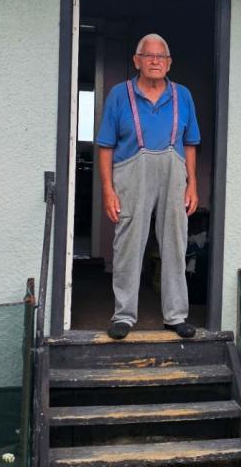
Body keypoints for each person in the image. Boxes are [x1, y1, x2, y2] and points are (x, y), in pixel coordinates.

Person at [96, 33, 200, 340]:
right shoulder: (119, 94)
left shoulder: (183, 95)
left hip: (173, 174)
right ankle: (124, 316)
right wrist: (107, 189)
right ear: (137, 61)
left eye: (161, 57)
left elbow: (190, 143)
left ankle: (176, 316)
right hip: (130, 174)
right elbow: (105, 146)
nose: (155, 61)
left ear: (169, 64)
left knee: (175, 244)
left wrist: (192, 184)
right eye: (148, 56)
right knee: (128, 244)